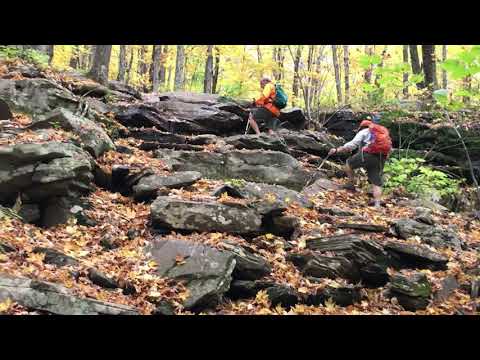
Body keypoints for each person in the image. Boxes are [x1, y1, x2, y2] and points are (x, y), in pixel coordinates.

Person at [328, 116, 392, 207]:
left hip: (367, 155)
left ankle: (351, 183)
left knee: (348, 163)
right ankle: (377, 204)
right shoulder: (384, 133)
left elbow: (352, 144)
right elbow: (389, 149)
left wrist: (337, 150)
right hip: (381, 157)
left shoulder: (365, 131)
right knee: (376, 181)